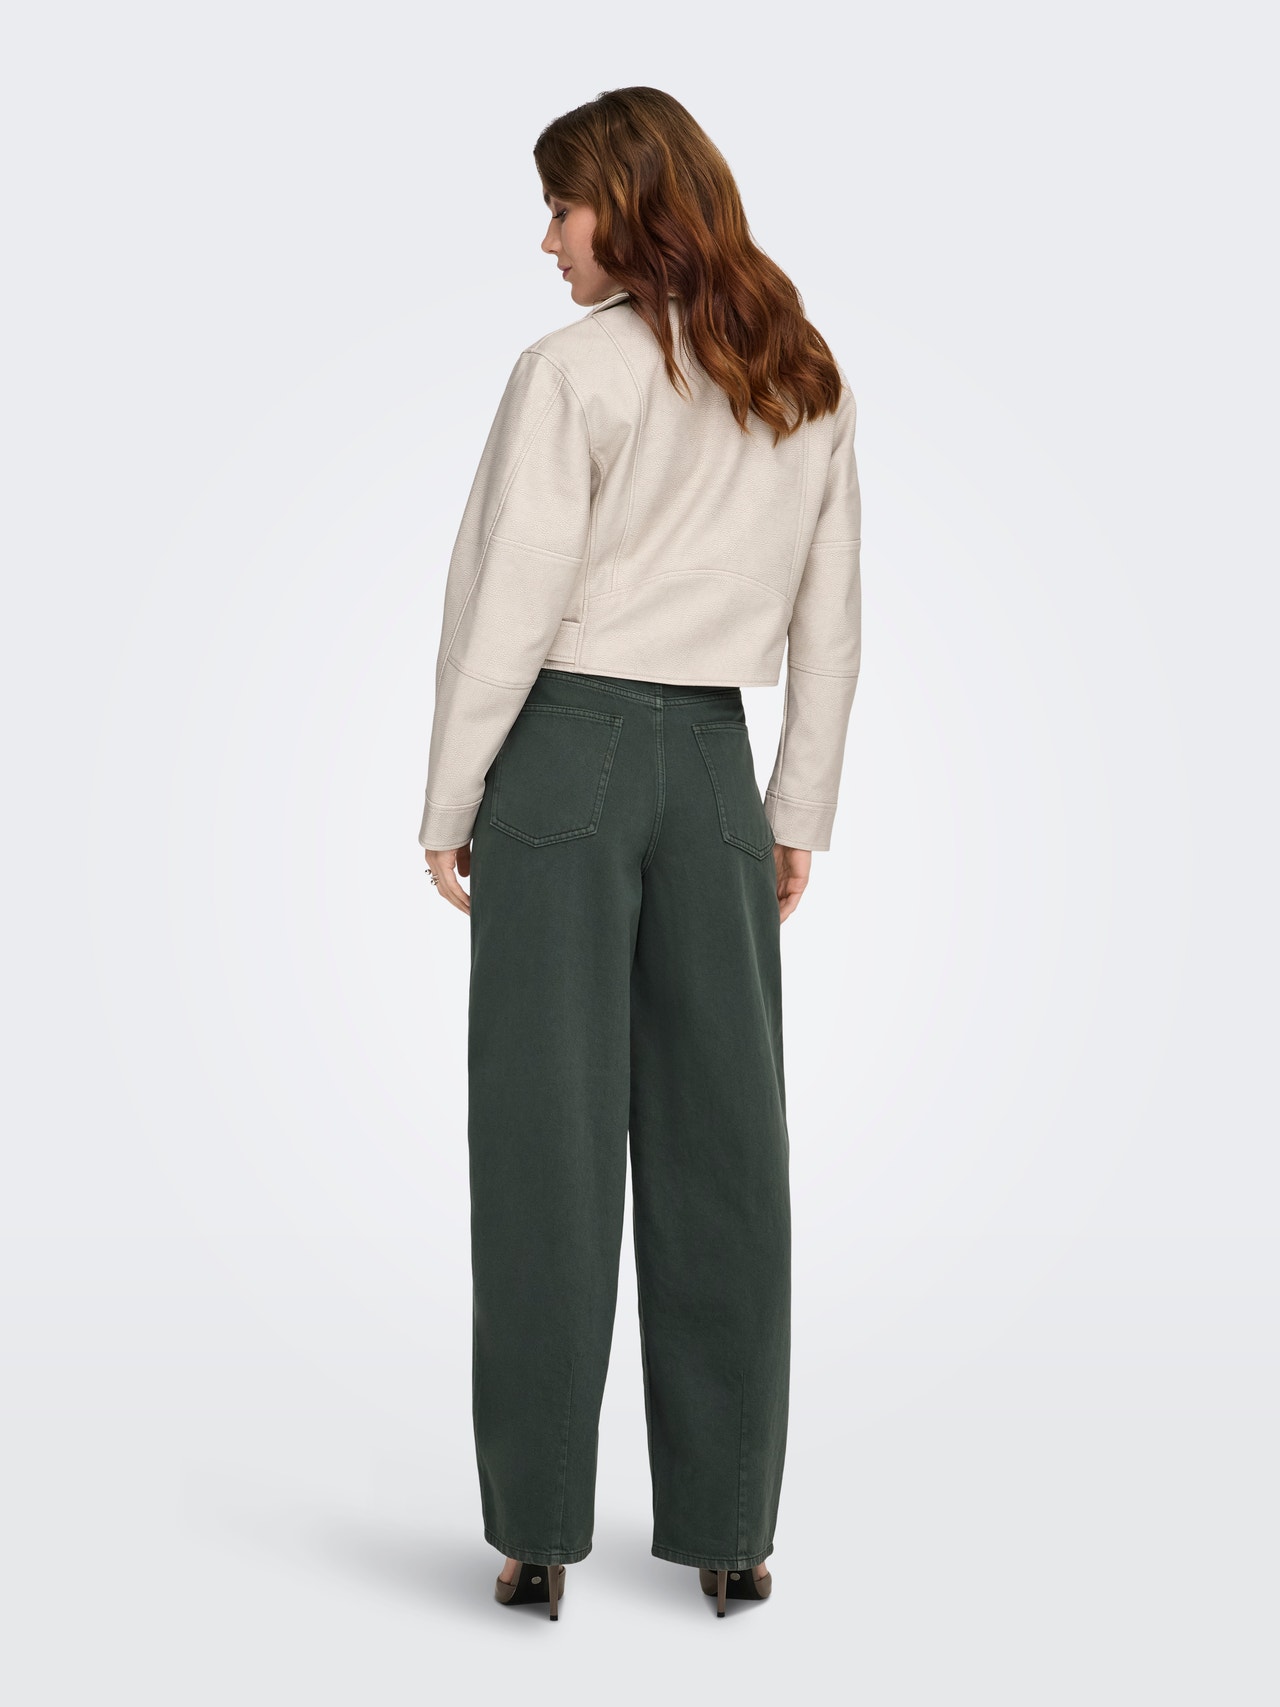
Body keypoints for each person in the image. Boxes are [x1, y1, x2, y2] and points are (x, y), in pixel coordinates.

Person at [417, 86, 861, 1621]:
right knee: (728, 1148)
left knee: (544, 1143)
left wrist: (449, 798)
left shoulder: (569, 374)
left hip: (566, 754)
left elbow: (507, 597)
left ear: (630, 202)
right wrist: (791, 813)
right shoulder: (801, 372)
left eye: (564, 207)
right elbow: (832, 618)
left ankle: (538, 1532)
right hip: (717, 770)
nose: (547, 239)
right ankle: (732, 1534)